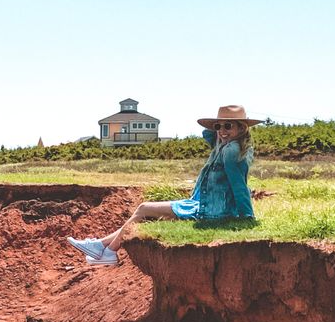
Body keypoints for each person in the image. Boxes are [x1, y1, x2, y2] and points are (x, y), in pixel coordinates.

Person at [68, 104, 260, 265]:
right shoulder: (225, 146)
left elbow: (239, 185)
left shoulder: (231, 151)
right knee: (144, 212)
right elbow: (207, 134)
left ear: (241, 128)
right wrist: (219, 130)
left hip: (213, 211)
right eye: (218, 126)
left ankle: (108, 251)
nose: (221, 131)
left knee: (143, 208)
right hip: (207, 205)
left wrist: (247, 216)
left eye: (228, 126)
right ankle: (101, 246)